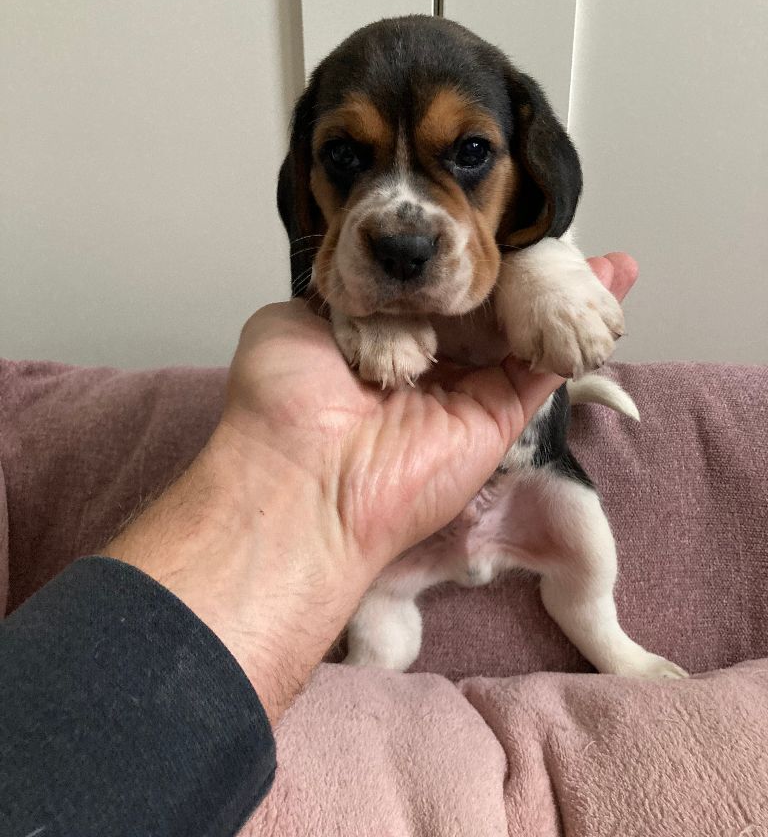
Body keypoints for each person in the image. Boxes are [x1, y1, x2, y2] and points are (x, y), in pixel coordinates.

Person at [0, 254, 637, 837]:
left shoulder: (523, 248)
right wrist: (314, 485)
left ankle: (599, 626)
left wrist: (546, 274)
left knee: (583, 545)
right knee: (382, 632)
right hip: (400, 516)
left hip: (526, 479)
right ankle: (374, 662)